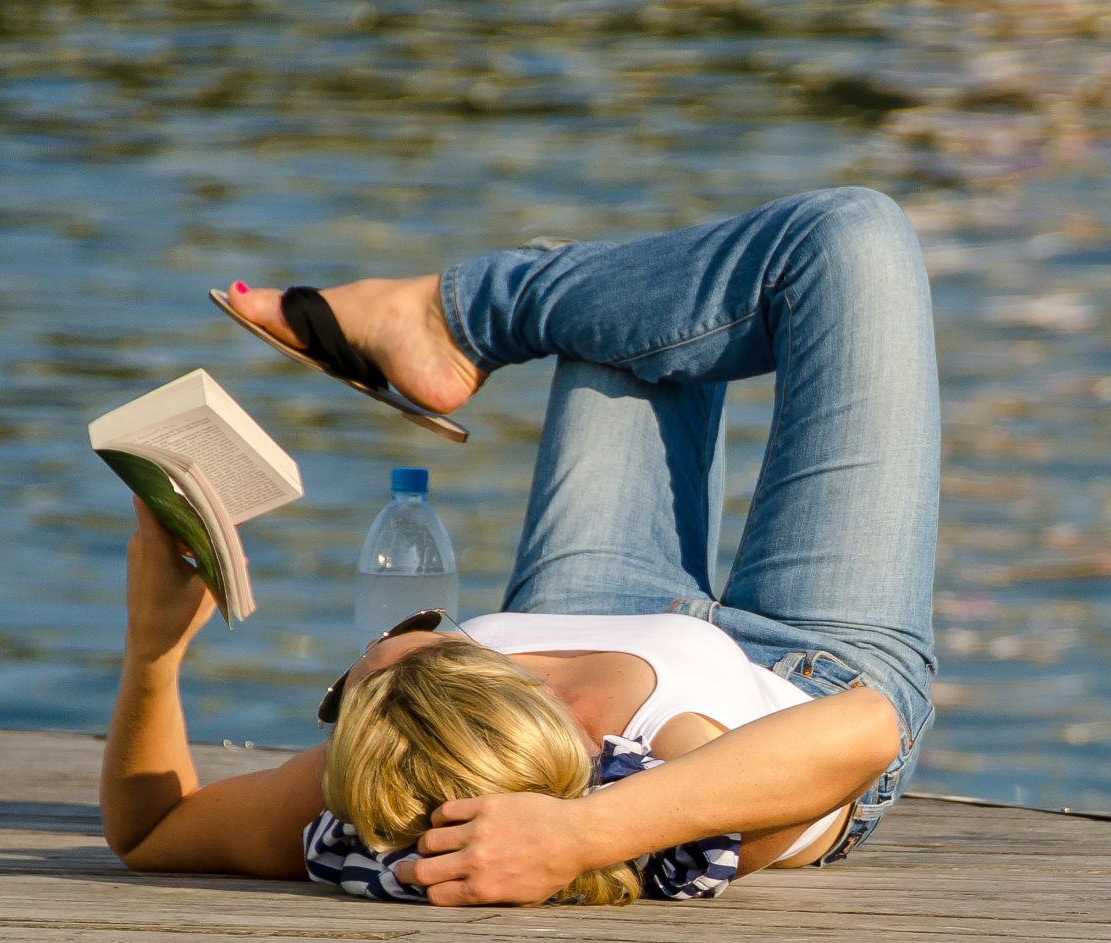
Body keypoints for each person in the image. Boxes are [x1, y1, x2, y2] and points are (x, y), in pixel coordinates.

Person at [101, 187, 941, 905]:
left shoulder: (385, 772)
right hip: (815, 662)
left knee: (629, 308)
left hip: (584, 601)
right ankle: (460, 315)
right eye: (365, 673)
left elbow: (153, 831)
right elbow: (863, 732)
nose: (365, 658)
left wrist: (154, 650)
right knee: (851, 237)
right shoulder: (661, 784)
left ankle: (445, 326)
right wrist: (581, 833)